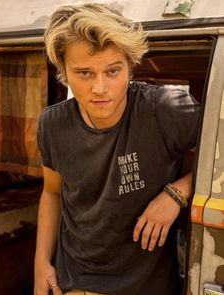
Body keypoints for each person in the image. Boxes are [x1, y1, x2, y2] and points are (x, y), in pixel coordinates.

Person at [34, 3, 200, 295]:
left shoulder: (163, 109)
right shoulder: (52, 124)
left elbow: (218, 151)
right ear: (64, 71)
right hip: (75, 282)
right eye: (84, 73)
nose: (100, 87)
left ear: (130, 65)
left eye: (113, 71)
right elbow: (52, 191)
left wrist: (177, 193)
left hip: (148, 286)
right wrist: (41, 263)